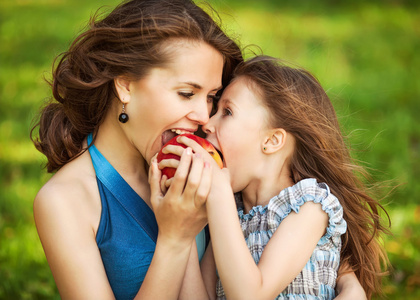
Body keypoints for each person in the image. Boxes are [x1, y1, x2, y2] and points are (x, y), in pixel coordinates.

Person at [31, 0, 243, 299]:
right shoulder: (65, 200)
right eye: (186, 93)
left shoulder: (203, 163)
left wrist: (336, 277)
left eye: (211, 96)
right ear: (126, 86)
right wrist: (174, 239)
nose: (204, 116)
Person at [157, 56, 389, 299]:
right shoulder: (228, 212)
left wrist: (219, 194)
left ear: (271, 141)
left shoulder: (309, 205)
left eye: (226, 112)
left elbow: (251, 295)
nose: (207, 123)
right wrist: (184, 236)